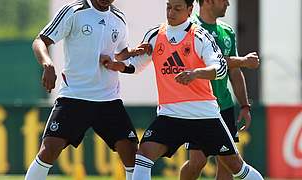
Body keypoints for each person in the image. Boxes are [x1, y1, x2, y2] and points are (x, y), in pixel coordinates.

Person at [100, 0, 264, 179]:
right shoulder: (155, 35)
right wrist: (117, 66)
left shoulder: (200, 35)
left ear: (189, 10)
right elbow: (137, 65)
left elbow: (220, 68)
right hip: (170, 114)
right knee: (143, 156)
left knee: (236, 167)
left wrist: (196, 73)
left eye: (177, 8)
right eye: (168, 7)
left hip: (203, 115)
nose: (171, 12)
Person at [24, 0, 148, 179]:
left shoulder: (118, 18)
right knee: (49, 150)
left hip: (108, 99)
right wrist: (48, 64)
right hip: (74, 97)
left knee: (130, 152)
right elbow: (40, 40)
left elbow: (119, 52)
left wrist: (132, 52)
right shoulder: (74, 11)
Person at [180, 0, 260, 179]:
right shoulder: (190, 28)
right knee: (198, 161)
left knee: (227, 164)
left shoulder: (227, 32)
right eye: (223, 0)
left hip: (223, 107)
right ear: (208, 1)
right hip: (199, 107)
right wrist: (243, 60)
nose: (228, 4)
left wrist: (245, 105)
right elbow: (210, 62)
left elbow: (234, 72)